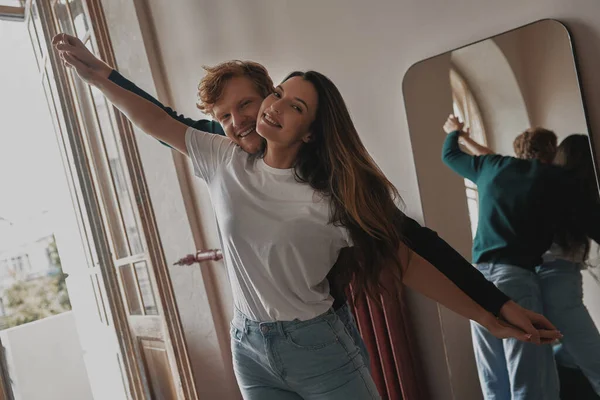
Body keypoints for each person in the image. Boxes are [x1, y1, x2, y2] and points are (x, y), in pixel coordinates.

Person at [55, 35, 560, 399]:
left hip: (319, 349)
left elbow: (417, 252)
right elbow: (156, 118)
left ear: (312, 130)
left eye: (288, 105)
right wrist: (99, 74)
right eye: (277, 97)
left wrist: (493, 311)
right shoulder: (221, 159)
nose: (260, 114)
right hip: (249, 346)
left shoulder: (336, 197)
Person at [442, 116, 600, 400]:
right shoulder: (553, 179)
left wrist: (455, 134)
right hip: (515, 279)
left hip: (475, 280)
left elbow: (450, 155)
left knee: (494, 380)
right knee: (531, 380)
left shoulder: (492, 166)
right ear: (551, 151)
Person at [539, 134, 600, 396]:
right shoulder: (574, 195)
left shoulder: (549, 190)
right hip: (559, 283)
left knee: (569, 357)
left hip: (558, 280)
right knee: (594, 361)